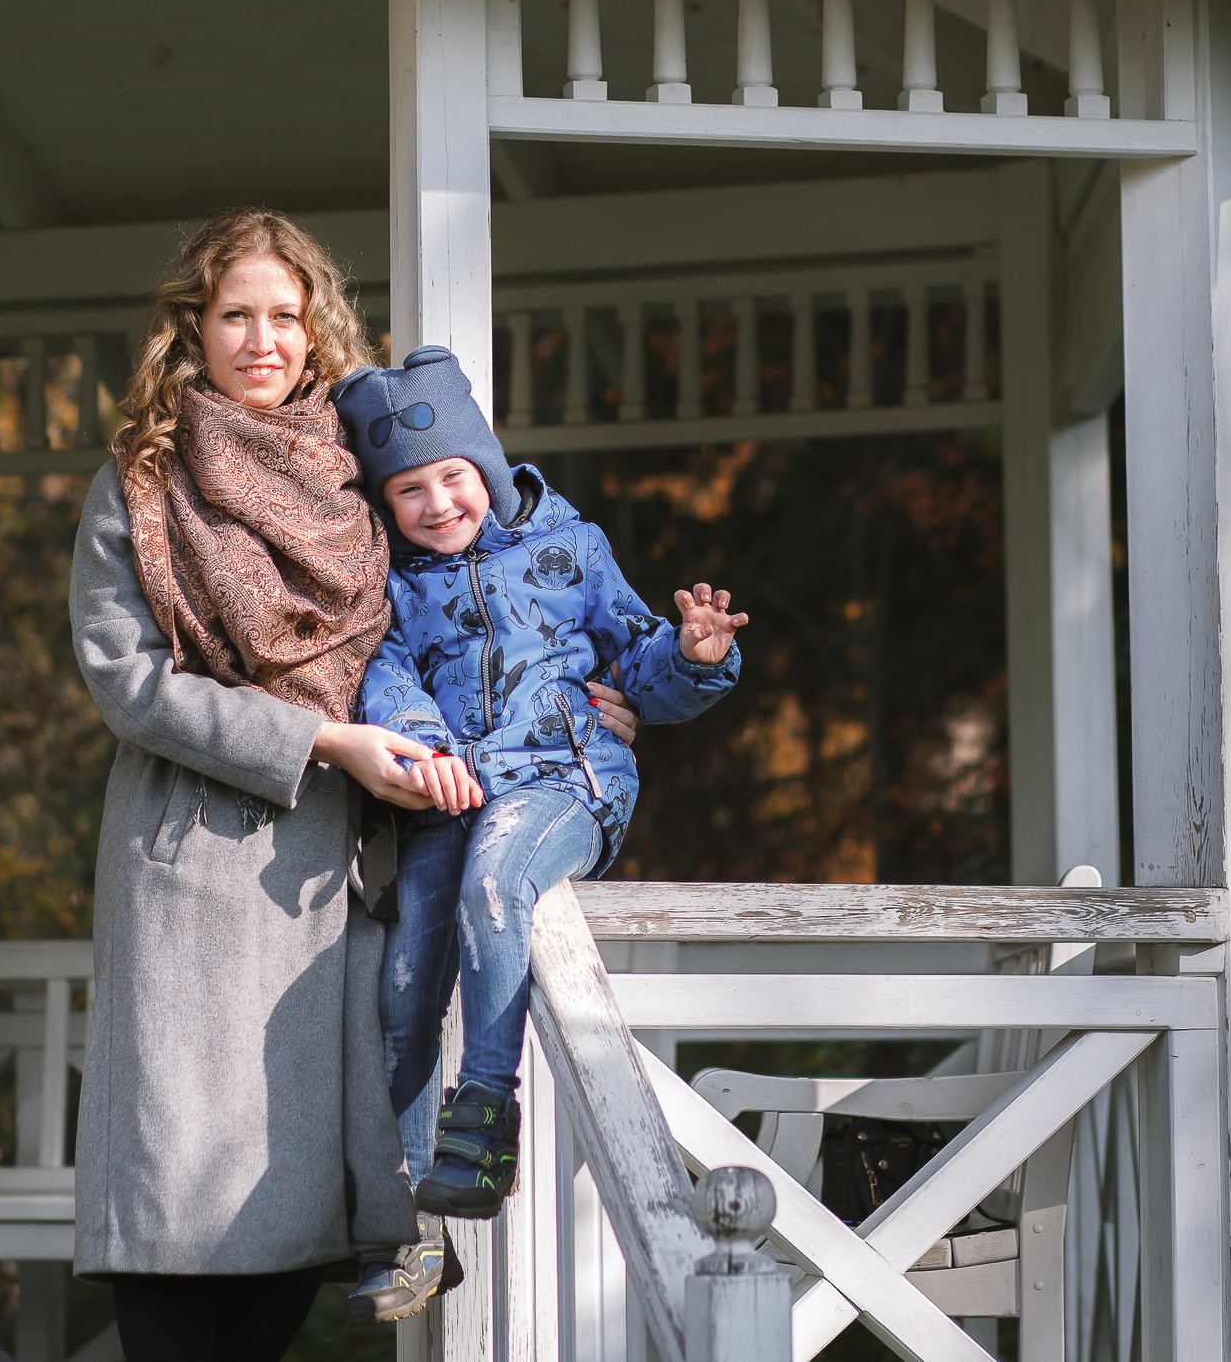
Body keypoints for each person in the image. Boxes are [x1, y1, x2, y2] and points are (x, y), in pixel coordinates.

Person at [68, 211, 642, 1362]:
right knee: (179, 1198)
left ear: (315, 327)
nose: (262, 340)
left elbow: (477, 611)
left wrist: (593, 692)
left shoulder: (362, 472)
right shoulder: (142, 480)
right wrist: (325, 742)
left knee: (298, 1198)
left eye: (285, 316)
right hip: (198, 863)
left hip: (349, 866)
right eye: (236, 315)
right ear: (194, 326)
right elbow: (129, 686)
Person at [332, 344, 746, 1326]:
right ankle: (406, 1226)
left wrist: (692, 657)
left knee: (495, 882)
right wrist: (425, 752)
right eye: (407, 491)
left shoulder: (570, 548)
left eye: (451, 477)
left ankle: (485, 1114)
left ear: (484, 466)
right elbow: (387, 681)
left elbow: (636, 664)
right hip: (453, 795)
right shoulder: (393, 588)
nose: (436, 503)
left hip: (566, 779)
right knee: (400, 984)